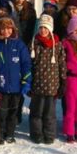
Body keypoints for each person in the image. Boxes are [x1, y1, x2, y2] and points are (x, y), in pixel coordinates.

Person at [0, 17, 32, 144]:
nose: (6, 31)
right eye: (3, 28)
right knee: (1, 113)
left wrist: (25, 81)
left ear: (13, 29)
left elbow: (26, 64)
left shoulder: (19, 45)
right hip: (1, 86)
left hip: (16, 86)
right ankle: (0, 134)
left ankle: (10, 134)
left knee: (13, 113)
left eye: (9, 28)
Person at [29, 14, 66, 144]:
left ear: (50, 29)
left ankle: (49, 134)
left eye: (46, 28)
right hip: (37, 85)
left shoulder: (58, 46)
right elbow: (29, 66)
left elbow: (62, 65)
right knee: (36, 112)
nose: (43, 31)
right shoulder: (34, 44)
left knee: (49, 114)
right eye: (41, 28)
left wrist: (63, 82)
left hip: (52, 86)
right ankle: (36, 133)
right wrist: (28, 83)